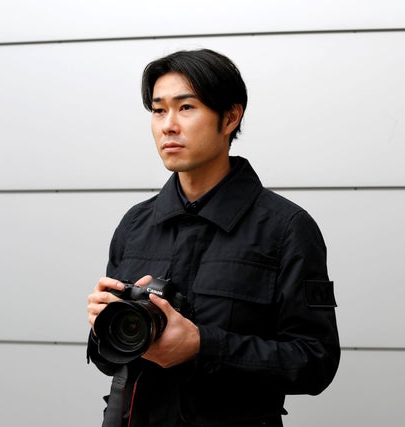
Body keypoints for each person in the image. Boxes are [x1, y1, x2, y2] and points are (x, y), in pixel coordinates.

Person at [86, 48, 340, 427]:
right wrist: (104, 327)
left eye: (186, 107)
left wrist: (202, 346)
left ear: (230, 118)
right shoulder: (136, 224)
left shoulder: (286, 228)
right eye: (158, 110)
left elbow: (316, 361)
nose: (168, 125)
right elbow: (110, 362)